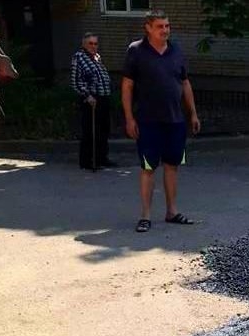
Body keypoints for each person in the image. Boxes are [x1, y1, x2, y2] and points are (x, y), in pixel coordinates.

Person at [121, 9, 201, 233]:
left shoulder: (176, 50)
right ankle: (145, 216)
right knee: (148, 168)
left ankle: (172, 212)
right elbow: (127, 86)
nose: (165, 30)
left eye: (167, 26)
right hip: (147, 121)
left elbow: (185, 83)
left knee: (172, 166)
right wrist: (129, 118)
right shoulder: (136, 51)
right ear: (148, 27)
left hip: (175, 121)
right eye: (160, 26)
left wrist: (193, 113)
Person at [71, 32, 115, 170]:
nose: (93, 46)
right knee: (90, 131)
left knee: (103, 130)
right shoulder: (79, 57)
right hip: (91, 99)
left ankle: (101, 158)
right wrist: (87, 96)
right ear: (84, 44)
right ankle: (87, 161)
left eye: (95, 43)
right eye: (90, 43)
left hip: (103, 98)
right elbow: (75, 81)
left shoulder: (97, 57)